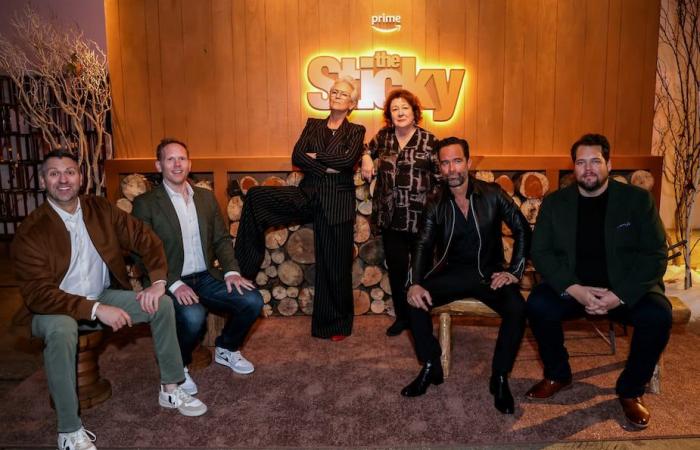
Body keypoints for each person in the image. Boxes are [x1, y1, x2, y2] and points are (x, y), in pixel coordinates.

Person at [11, 150, 206, 450]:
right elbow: (39, 294)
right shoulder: (30, 232)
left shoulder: (99, 209)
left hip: (100, 293)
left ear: (81, 177)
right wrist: (96, 309)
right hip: (53, 307)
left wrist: (157, 282)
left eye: (70, 172)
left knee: (163, 304)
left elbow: (144, 237)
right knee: (62, 329)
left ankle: (171, 387)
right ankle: (69, 430)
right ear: (42, 181)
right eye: (54, 173)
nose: (63, 179)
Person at [525, 133, 671, 429]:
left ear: (609, 164)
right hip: (575, 289)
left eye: (596, 161)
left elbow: (655, 254)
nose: (588, 168)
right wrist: (574, 289)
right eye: (581, 162)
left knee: (658, 315)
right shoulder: (555, 203)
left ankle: (630, 390)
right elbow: (540, 252)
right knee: (538, 305)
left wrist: (620, 295)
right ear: (574, 167)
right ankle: (557, 373)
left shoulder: (637, 201)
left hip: (622, 290)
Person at [402, 137, 531, 414]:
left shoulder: (493, 193)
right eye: (445, 163)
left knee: (518, 308)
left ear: (468, 163)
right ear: (440, 167)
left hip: (489, 274)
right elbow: (423, 244)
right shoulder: (435, 202)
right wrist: (414, 284)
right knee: (412, 301)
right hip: (450, 275)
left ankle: (499, 377)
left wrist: (514, 272)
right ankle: (430, 365)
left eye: (457, 161)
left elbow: (522, 228)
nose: (452, 169)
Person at [234, 77, 366, 340]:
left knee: (335, 265)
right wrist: (327, 166)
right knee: (258, 197)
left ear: (351, 103)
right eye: (334, 91)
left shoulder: (356, 130)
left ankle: (335, 325)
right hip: (307, 194)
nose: (337, 95)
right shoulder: (313, 124)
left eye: (343, 94)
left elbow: (347, 160)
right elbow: (298, 156)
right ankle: (242, 268)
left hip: (337, 201)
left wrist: (316, 159)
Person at [132, 139, 263, 395]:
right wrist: (173, 283)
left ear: (189, 164)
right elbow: (142, 253)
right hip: (168, 281)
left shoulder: (205, 198)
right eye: (170, 159)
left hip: (206, 276)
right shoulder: (145, 203)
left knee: (252, 300)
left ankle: (226, 348)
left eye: (181, 158)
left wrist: (232, 271)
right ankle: (176, 368)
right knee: (193, 316)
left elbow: (222, 239)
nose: (177, 164)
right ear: (159, 165)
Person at [360, 89, 439, 336]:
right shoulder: (382, 138)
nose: (400, 112)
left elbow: (438, 179)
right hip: (391, 217)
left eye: (405, 107)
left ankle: (420, 319)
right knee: (396, 270)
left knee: (420, 271)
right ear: (389, 115)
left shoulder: (429, 140)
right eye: (395, 109)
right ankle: (403, 318)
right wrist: (365, 157)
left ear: (415, 113)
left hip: (420, 218)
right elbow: (365, 148)